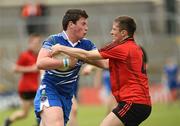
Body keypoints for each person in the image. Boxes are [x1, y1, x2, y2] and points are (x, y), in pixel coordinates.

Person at [51, 16, 152, 126]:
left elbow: (88, 54)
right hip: (142, 103)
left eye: (114, 29)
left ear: (123, 33)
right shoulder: (135, 48)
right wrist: (82, 59)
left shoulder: (121, 48)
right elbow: (105, 64)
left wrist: (61, 48)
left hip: (133, 103)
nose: (111, 32)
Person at [34, 9, 107, 126]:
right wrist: (66, 62)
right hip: (49, 89)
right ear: (71, 24)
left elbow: (105, 63)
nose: (86, 28)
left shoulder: (86, 45)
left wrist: (86, 60)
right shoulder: (54, 40)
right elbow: (40, 63)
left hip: (67, 94)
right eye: (83, 24)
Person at [3, 33, 42, 126]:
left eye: (38, 43)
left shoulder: (39, 55)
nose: (36, 45)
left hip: (35, 87)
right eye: (34, 43)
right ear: (30, 44)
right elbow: (15, 69)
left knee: (41, 109)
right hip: (26, 88)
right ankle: (8, 120)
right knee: (25, 114)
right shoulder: (25, 55)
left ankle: (39, 124)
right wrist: (31, 68)